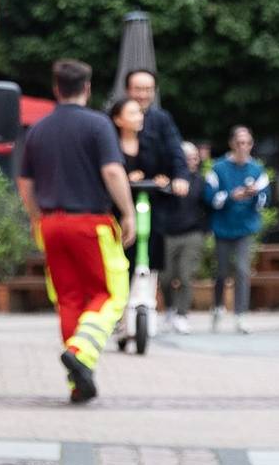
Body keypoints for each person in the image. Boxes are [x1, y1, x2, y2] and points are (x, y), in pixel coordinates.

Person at [16, 60, 136, 404]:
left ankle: (78, 380)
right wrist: (127, 212)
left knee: (69, 298)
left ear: (56, 88)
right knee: (110, 294)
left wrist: (37, 217)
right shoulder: (98, 125)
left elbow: (25, 183)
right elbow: (113, 171)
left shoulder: (38, 129)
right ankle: (81, 353)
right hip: (90, 224)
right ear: (87, 87)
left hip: (51, 224)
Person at [123, 69, 192, 276]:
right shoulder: (113, 118)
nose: (142, 95)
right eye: (137, 89)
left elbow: (175, 150)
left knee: (156, 248)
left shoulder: (162, 119)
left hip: (155, 195)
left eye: (147, 90)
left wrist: (179, 177)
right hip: (123, 196)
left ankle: (149, 293)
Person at [206, 126, 268, 333]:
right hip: (223, 227)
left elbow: (265, 200)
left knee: (242, 270)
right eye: (239, 143)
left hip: (245, 227)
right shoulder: (218, 168)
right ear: (232, 144)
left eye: (247, 143)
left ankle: (241, 315)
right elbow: (210, 198)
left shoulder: (257, 169)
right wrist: (231, 196)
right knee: (222, 271)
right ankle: (217, 307)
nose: (243, 147)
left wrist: (253, 194)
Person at [109, 99, 156, 352]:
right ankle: (116, 315)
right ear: (118, 119)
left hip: (145, 209)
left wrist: (165, 178)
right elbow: (108, 173)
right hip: (116, 215)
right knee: (118, 265)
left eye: (140, 112)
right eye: (133, 112)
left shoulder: (150, 144)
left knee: (146, 257)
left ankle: (140, 309)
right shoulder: (110, 145)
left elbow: (166, 168)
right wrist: (124, 180)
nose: (139, 116)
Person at [160, 142, 211, 333]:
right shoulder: (168, 179)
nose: (192, 162)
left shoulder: (201, 181)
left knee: (185, 275)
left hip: (192, 233)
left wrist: (205, 230)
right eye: (187, 158)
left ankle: (182, 314)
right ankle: (171, 308)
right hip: (169, 233)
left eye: (194, 158)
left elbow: (209, 206)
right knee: (165, 278)